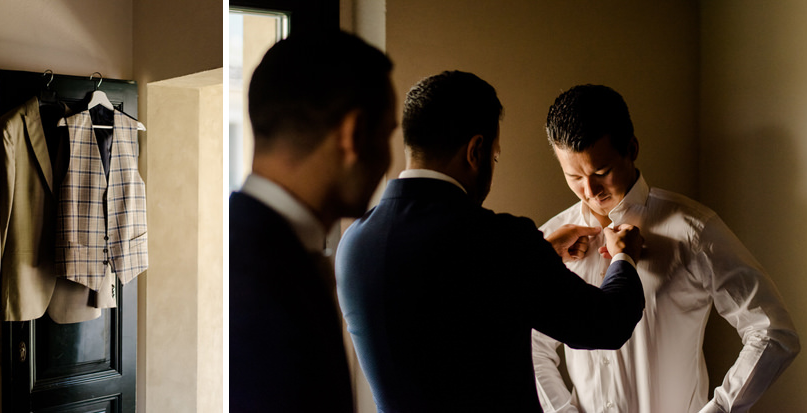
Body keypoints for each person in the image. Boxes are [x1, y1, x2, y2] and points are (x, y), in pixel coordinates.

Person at [336, 71, 646, 412]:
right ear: (476, 150)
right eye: (495, 156)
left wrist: (538, 256)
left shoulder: (354, 244)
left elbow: (458, 298)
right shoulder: (501, 242)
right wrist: (624, 258)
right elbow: (606, 325)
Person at [533, 84, 800, 413]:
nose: (590, 191)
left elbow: (773, 331)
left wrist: (719, 410)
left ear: (631, 148)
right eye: (573, 176)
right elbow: (530, 342)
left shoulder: (693, 230)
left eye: (601, 172)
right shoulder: (549, 240)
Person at [229, 31, 396, 412]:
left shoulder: (256, 245)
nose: (389, 160)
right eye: (387, 133)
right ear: (353, 135)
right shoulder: (258, 283)